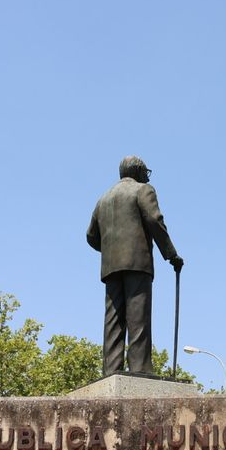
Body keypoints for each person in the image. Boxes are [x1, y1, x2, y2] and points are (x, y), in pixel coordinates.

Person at [86, 156, 184, 376]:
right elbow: (154, 220)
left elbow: (91, 235)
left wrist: (112, 249)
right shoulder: (143, 190)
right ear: (139, 171)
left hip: (110, 266)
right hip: (137, 262)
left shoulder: (103, 199)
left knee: (113, 320)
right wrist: (171, 255)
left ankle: (111, 369)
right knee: (138, 319)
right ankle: (140, 368)